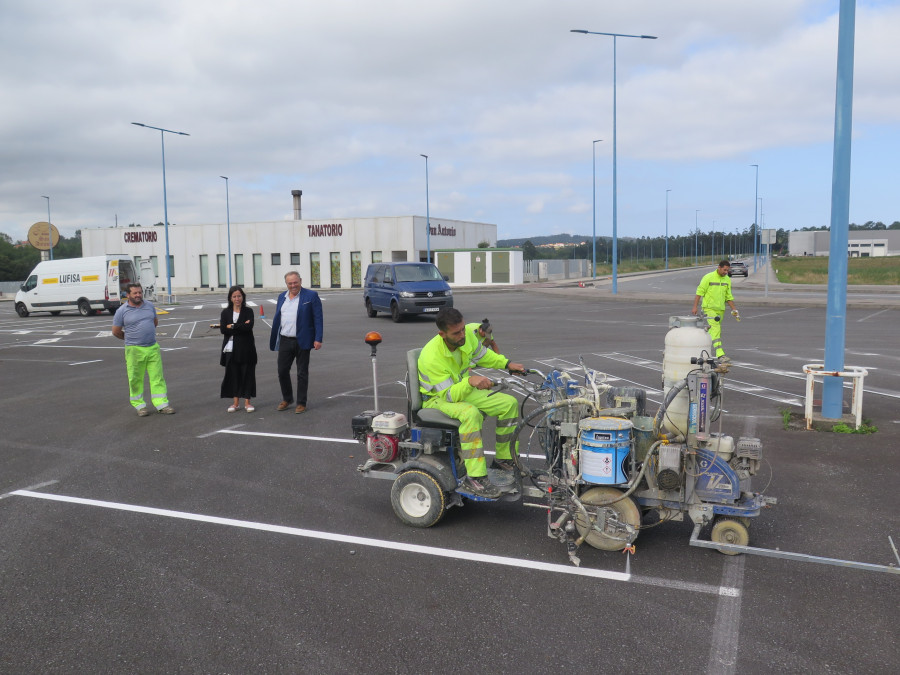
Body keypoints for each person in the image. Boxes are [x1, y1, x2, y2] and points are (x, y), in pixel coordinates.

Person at [418, 307, 525, 498]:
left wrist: (506, 364)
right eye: (456, 333)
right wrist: (470, 381)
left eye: (462, 329)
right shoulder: (431, 357)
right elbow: (449, 396)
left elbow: (483, 355)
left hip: (461, 388)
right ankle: (475, 478)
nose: (462, 335)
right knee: (470, 414)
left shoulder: (466, 335)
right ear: (442, 334)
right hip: (437, 399)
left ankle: (503, 460)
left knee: (509, 403)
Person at [111, 283, 175, 416]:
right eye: (135, 293)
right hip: (134, 350)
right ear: (128, 295)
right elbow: (116, 331)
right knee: (135, 379)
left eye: (140, 292)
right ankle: (140, 406)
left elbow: (154, 322)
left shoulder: (149, 306)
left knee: (157, 377)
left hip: (152, 347)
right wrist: (131, 339)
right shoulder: (122, 311)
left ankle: (162, 404)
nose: (138, 295)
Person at [269, 271, 323, 413]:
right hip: (285, 339)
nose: (293, 285)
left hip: (303, 340)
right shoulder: (282, 297)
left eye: (295, 282)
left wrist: (318, 338)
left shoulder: (311, 296)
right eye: (290, 283)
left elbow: (318, 318)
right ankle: (287, 399)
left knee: (302, 373)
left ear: (300, 280)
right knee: (282, 371)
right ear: (286, 284)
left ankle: (301, 402)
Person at [691, 260, 739, 363]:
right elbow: (699, 292)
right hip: (709, 309)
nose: (726, 272)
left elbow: (728, 296)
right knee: (716, 329)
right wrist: (695, 307)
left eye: (727, 270)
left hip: (720, 309)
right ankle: (720, 355)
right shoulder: (708, 277)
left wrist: (734, 309)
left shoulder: (727, 279)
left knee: (713, 331)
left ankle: (698, 344)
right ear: (719, 267)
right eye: (724, 270)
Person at [219, 286, 258, 413]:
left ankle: (247, 402)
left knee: (247, 374)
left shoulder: (248, 311)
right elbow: (223, 330)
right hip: (230, 349)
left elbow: (249, 327)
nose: (237, 299)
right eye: (234, 296)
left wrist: (233, 326)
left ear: (243, 297)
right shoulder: (225, 312)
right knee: (233, 375)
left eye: (239, 296)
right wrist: (241, 326)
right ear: (230, 298)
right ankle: (235, 403)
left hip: (246, 348)